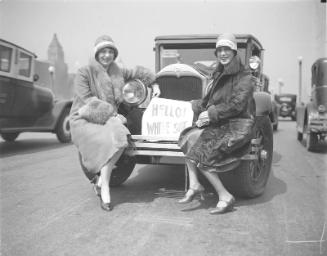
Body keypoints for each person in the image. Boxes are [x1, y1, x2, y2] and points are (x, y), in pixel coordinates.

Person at [70, 35, 160, 211]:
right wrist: (112, 113)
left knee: (121, 138)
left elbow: (138, 73)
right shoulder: (84, 72)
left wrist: (154, 83)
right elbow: (87, 100)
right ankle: (105, 188)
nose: (107, 55)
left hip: (110, 118)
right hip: (85, 116)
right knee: (113, 132)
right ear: (96, 53)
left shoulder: (117, 71)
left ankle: (103, 181)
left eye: (110, 51)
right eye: (103, 51)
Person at [178, 33, 255, 214]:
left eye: (226, 49)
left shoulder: (245, 76)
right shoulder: (218, 74)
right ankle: (195, 184)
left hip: (237, 125)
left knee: (203, 153)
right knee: (187, 139)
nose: (223, 53)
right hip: (220, 123)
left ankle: (225, 195)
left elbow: (238, 105)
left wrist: (211, 114)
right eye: (219, 50)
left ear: (234, 51)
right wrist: (189, 105)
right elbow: (207, 103)